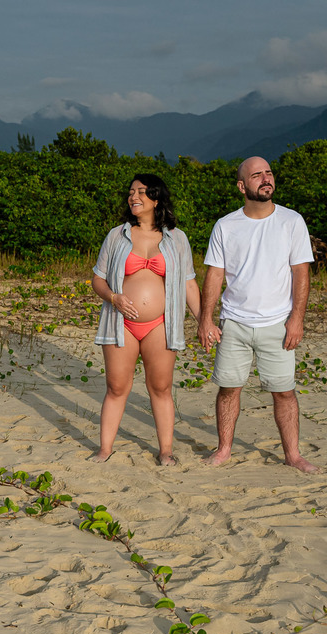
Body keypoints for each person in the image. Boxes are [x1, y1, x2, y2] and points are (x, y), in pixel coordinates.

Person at [197, 156, 319, 473]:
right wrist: (205, 319)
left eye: (269, 173)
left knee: (284, 392)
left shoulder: (292, 221)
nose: (266, 179)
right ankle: (224, 450)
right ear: (242, 186)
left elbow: (301, 272)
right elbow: (214, 274)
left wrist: (297, 319)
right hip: (234, 322)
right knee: (228, 389)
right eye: (256, 175)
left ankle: (293, 455)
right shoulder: (226, 226)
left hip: (278, 323)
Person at [91, 173, 201, 464]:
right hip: (120, 323)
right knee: (116, 387)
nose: (134, 197)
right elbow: (98, 279)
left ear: (156, 199)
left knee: (161, 387)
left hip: (161, 324)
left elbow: (189, 284)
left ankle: (166, 451)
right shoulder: (117, 235)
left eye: (141, 191)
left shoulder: (177, 238)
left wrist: (204, 320)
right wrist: (114, 298)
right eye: (131, 192)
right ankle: (104, 449)